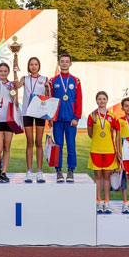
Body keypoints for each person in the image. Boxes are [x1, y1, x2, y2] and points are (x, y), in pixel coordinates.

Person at [13, 56, 50, 183]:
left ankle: (39, 171)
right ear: (28, 66)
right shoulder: (25, 78)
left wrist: (47, 88)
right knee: (30, 142)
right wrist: (15, 70)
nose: (33, 66)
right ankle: (29, 171)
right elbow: (16, 86)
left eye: (35, 64)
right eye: (31, 64)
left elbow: (48, 96)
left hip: (40, 112)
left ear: (39, 66)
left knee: (38, 142)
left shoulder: (45, 79)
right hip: (27, 112)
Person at [49, 53, 82, 183]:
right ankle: (58, 170)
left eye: (66, 61)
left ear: (70, 63)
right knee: (58, 146)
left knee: (71, 145)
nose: (64, 63)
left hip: (70, 119)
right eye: (62, 61)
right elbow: (50, 100)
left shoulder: (76, 80)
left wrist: (77, 117)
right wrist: (50, 117)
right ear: (59, 63)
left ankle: (70, 170)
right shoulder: (53, 81)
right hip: (57, 119)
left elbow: (79, 99)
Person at [87, 91, 118, 213]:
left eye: (104, 99)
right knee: (97, 176)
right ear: (96, 101)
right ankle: (98, 201)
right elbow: (90, 133)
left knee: (107, 177)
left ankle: (106, 201)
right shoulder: (92, 116)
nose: (101, 101)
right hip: (96, 149)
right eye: (99, 99)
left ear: (107, 100)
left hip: (109, 150)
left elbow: (116, 132)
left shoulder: (112, 116)